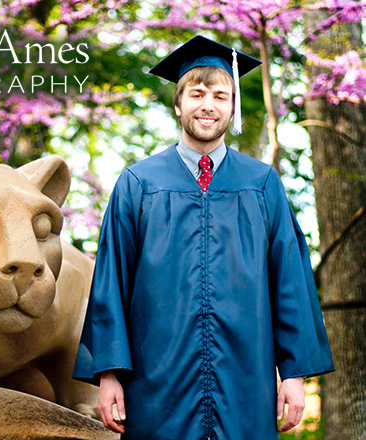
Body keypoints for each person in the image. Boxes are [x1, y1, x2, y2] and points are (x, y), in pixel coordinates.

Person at [72, 35, 334, 440]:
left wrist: (295, 374)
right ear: (178, 104)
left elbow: (290, 282)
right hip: (157, 380)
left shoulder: (262, 184)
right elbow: (111, 283)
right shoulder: (139, 183)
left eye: (220, 95)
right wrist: (109, 375)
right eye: (197, 94)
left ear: (232, 107)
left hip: (247, 380)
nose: (208, 105)